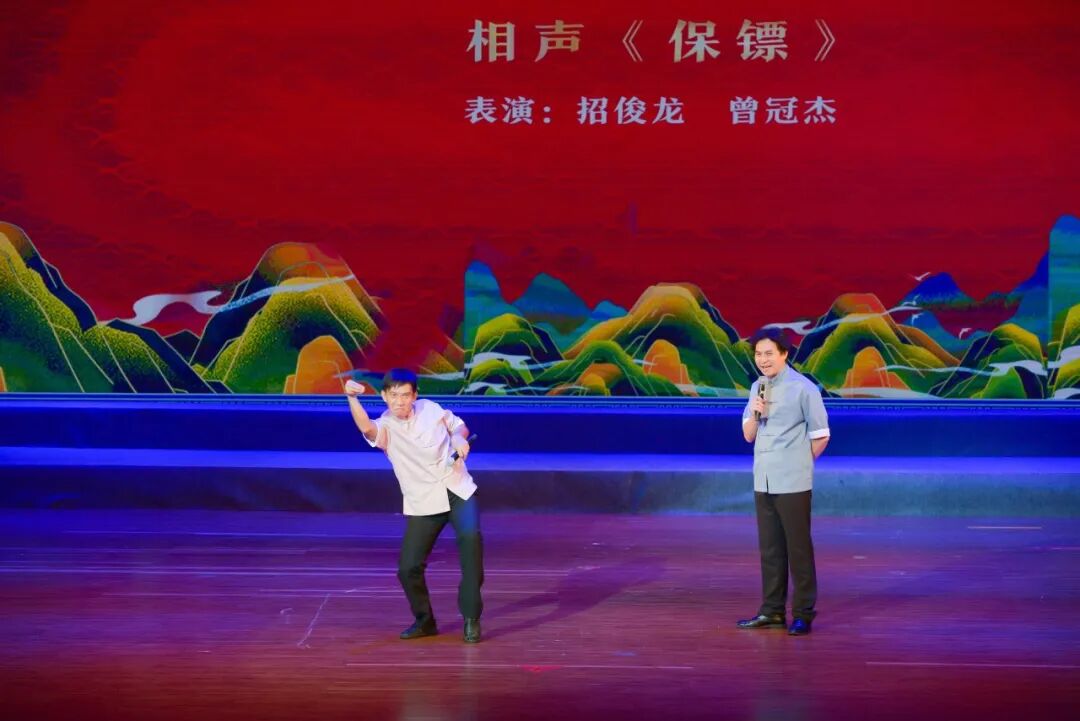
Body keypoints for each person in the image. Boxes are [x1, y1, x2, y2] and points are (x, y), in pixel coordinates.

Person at [344, 369, 483, 643]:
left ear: (415, 396)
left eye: (405, 395)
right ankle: (424, 621)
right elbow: (366, 428)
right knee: (408, 568)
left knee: (471, 541)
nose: (400, 402)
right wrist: (351, 398)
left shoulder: (431, 409)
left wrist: (458, 437)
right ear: (384, 396)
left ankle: (471, 617)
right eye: (394, 396)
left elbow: (458, 426)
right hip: (424, 501)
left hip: (457, 489)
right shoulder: (385, 426)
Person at [736, 328, 830, 636]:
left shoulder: (804, 389)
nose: (763, 360)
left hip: (792, 481)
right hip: (763, 479)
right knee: (770, 549)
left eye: (769, 354)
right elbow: (748, 435)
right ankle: (772, 611)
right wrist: (755, 412)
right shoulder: (757, 387)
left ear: (784, 354)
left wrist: (798, 463)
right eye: (758, 354)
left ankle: (803, 613)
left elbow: (821, 435)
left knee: (798, 549)